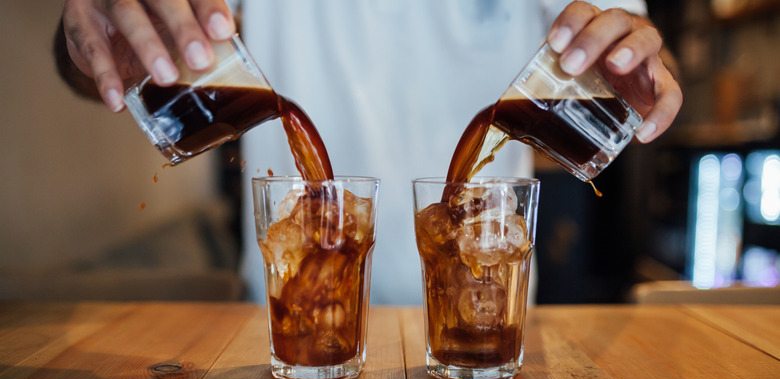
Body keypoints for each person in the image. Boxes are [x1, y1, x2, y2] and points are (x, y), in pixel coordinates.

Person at [55, 0, 682, 304]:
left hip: (488, 314)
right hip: (279, 321)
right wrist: (92, 39)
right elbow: (97, 59)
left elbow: (635, 53)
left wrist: (638, 69)